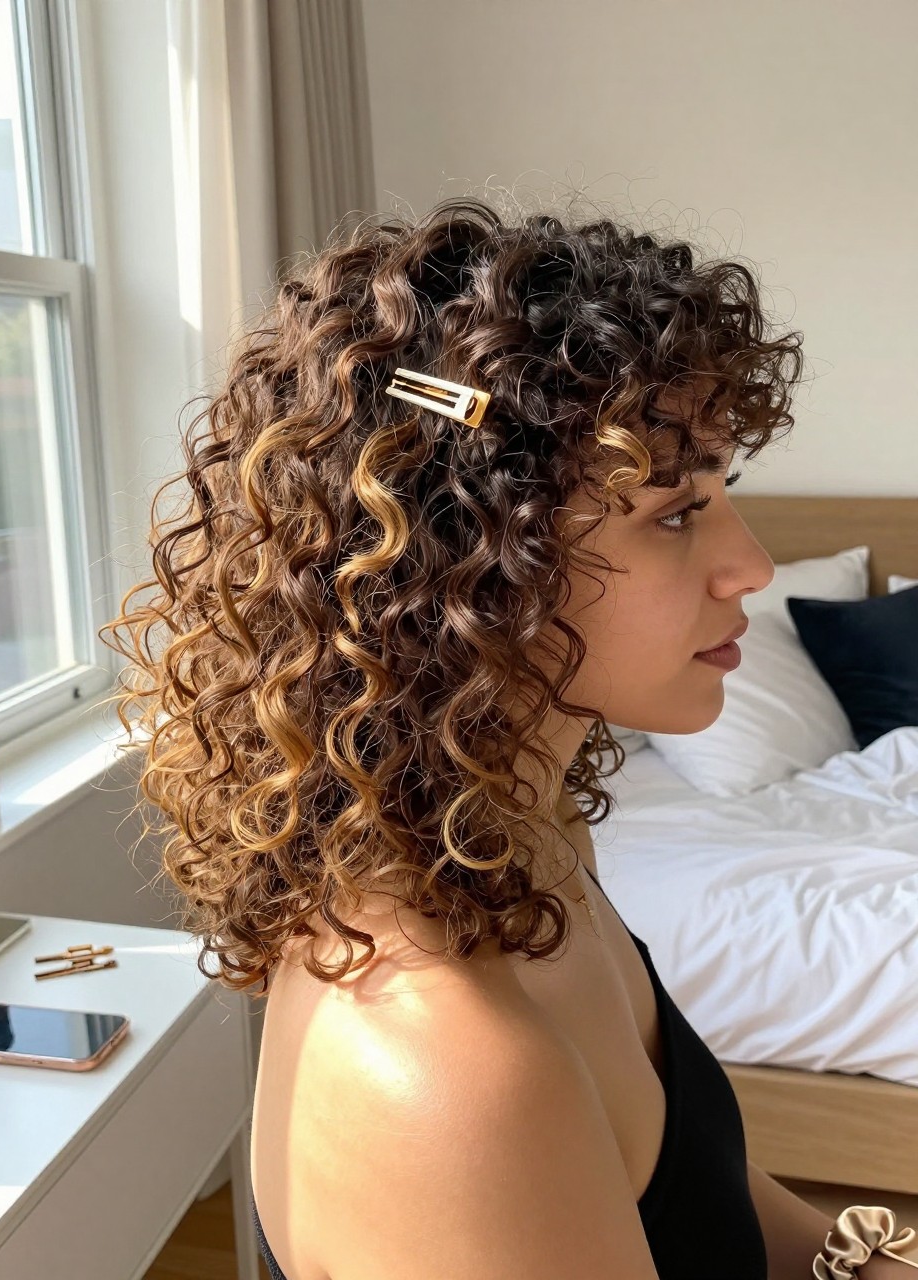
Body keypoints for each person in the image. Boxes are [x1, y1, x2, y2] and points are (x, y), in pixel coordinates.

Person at [99, 198, 918, 1279]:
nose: (752, 565)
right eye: (676, 511)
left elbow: (702, 1187)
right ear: (471, 561)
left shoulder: (518, 849)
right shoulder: (449, 1065)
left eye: (726, 493)